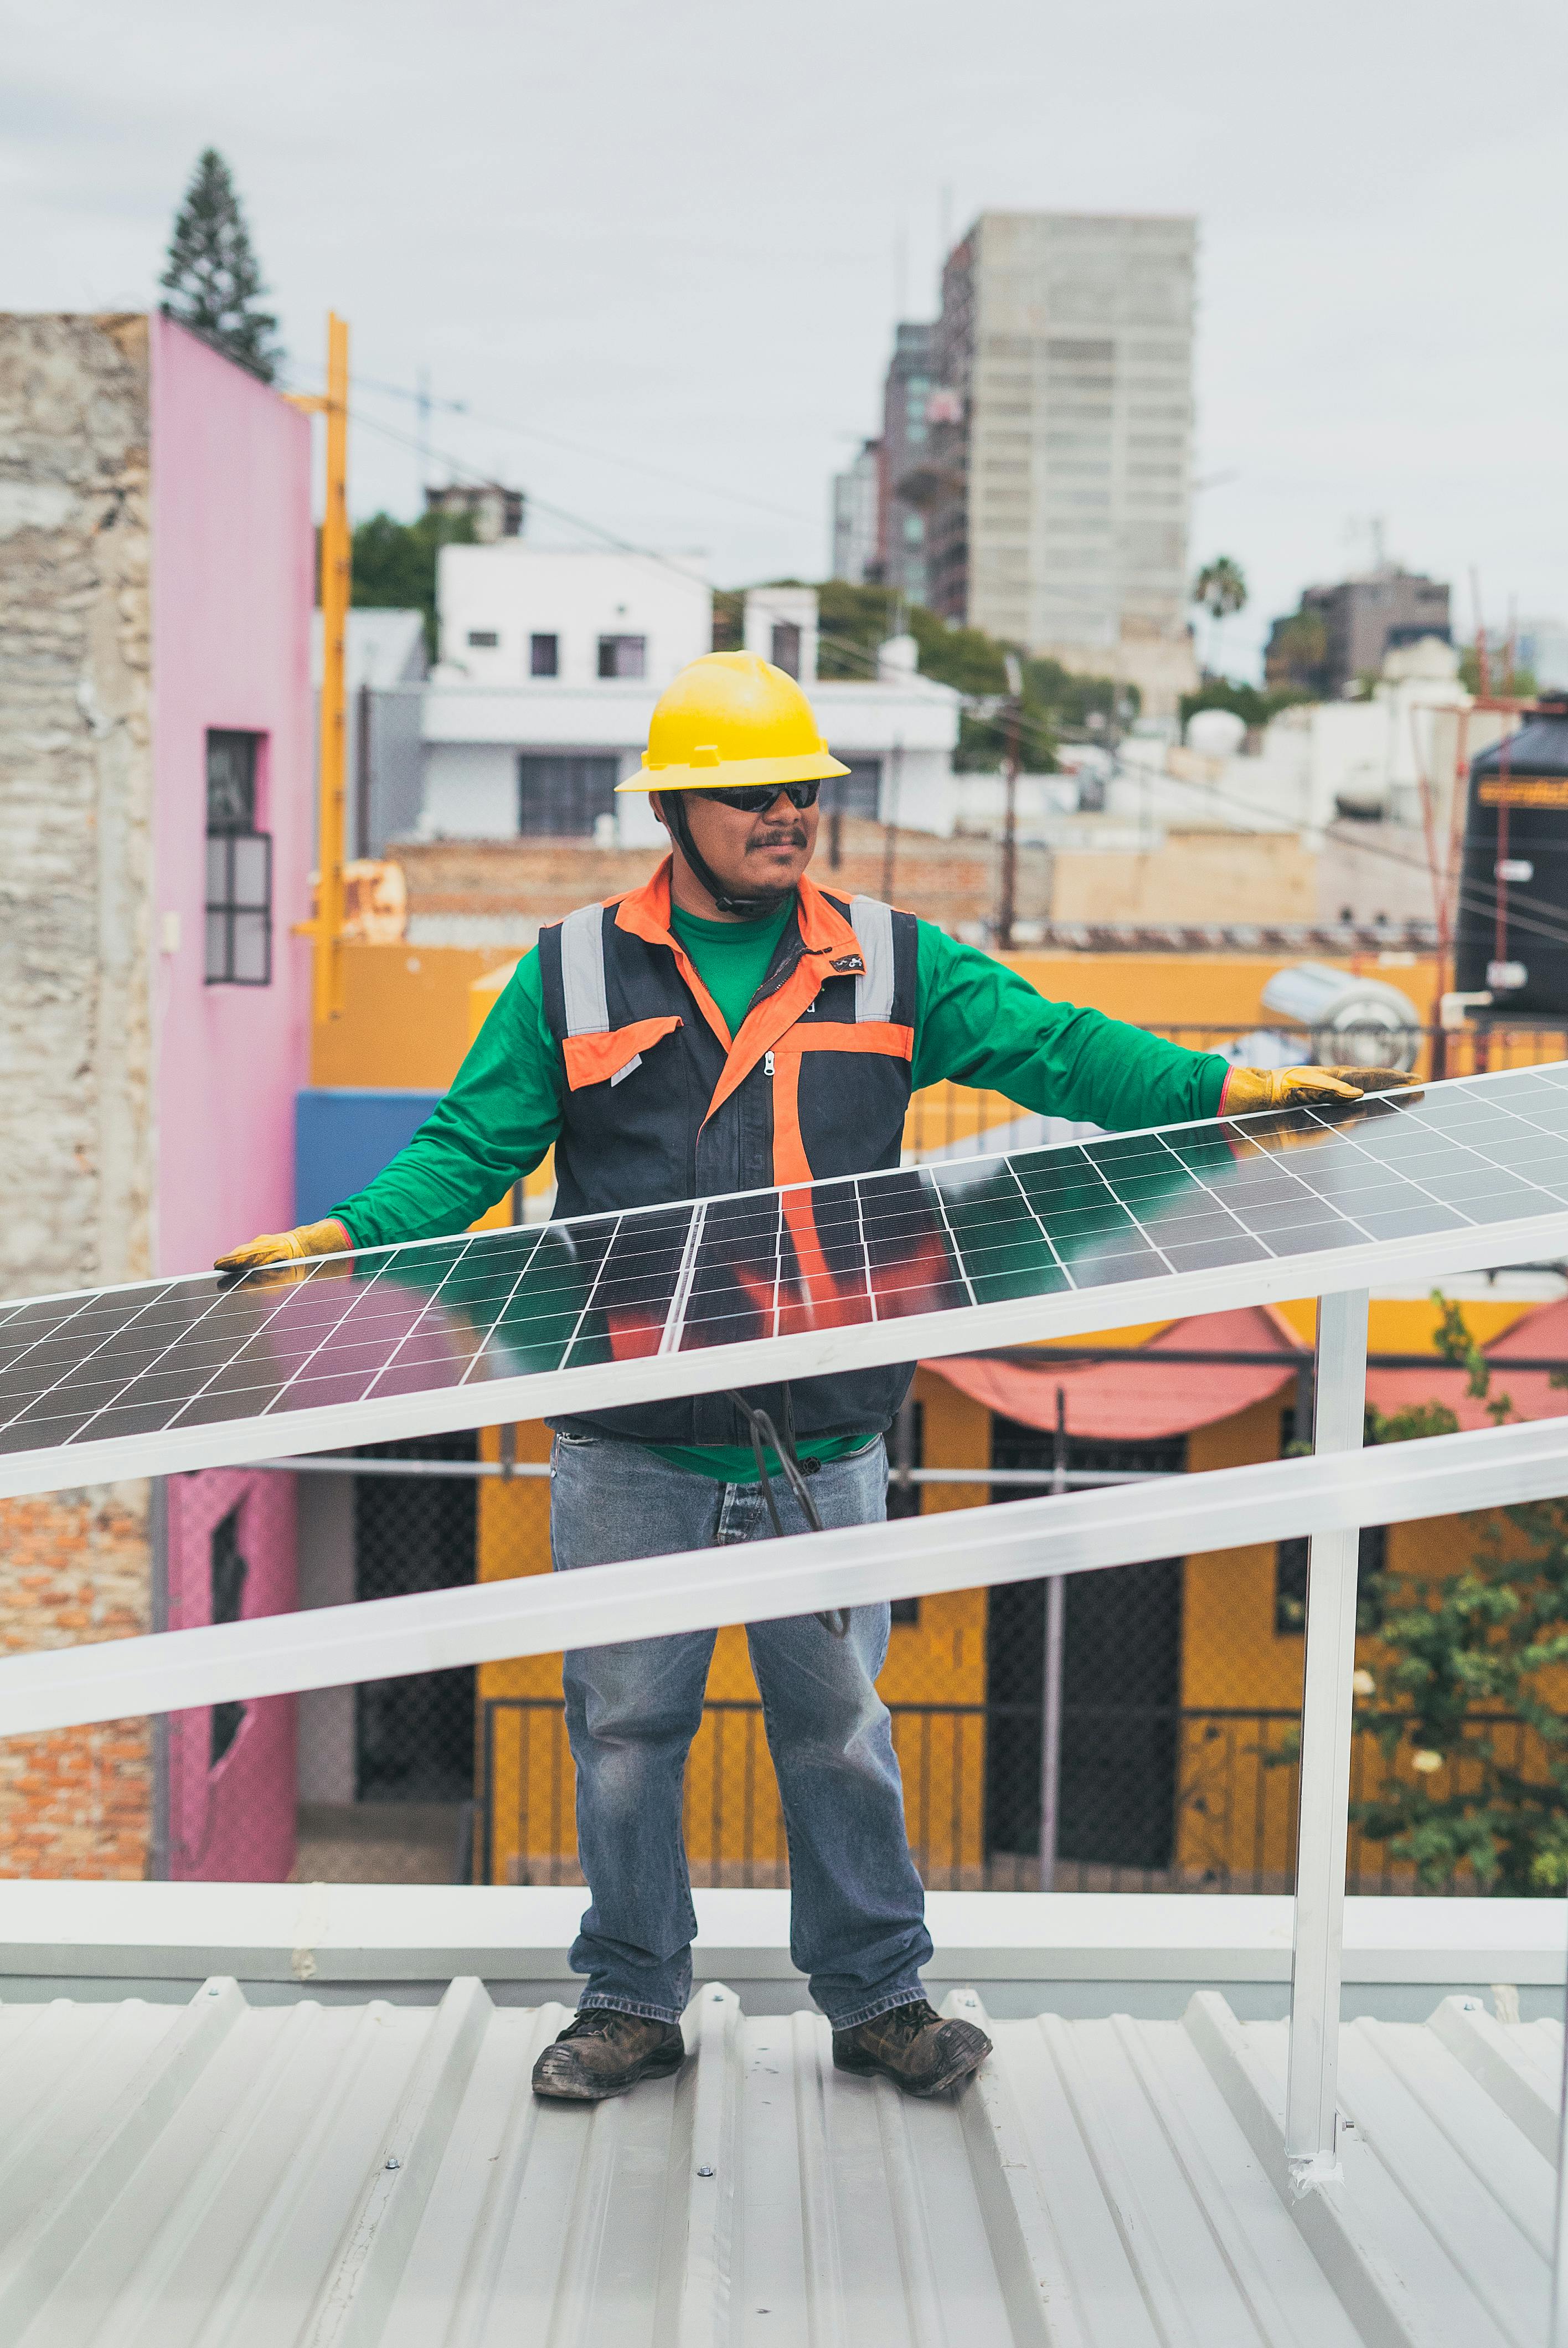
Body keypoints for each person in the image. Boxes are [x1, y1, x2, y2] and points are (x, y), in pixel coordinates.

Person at [219, 651, 1412, 2103]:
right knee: (623, 1736)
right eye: (752, 794)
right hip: (632, 1438)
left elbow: (1060, 1053)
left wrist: (1234, 1089)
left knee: (839, 1732)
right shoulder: (574, 972)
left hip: (823, 1436)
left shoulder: (897, 962)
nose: (788, 813)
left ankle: (877, 1999)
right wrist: (345, 1236)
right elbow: (470, 1151)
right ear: (677, 809)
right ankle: (633, 1998)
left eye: (804, 790)